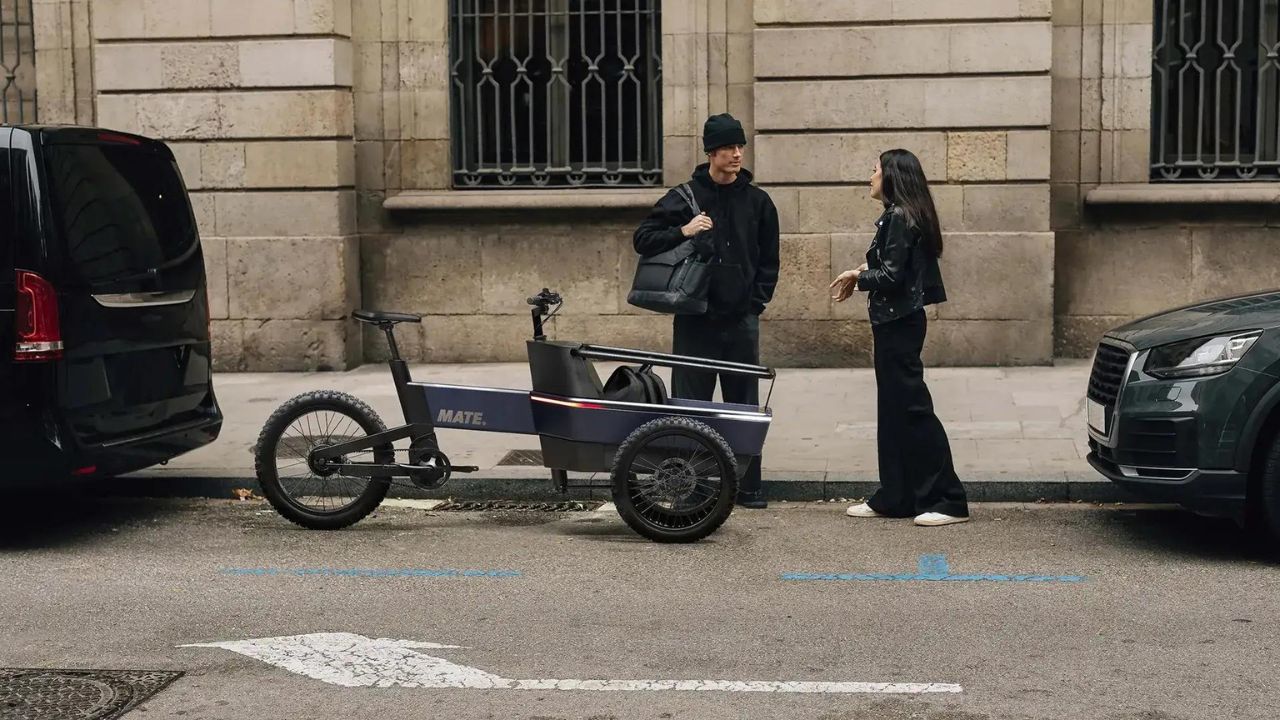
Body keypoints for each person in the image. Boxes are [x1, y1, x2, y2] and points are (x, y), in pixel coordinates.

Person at [632, 113, 781, 509]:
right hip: (695, 319)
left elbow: (770, 260)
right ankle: (692, 488)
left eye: (740, 147)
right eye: (729, 148)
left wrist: (755, 303)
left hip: (740, 321)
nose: (737, 154)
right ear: (711, 151)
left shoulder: (759, 201)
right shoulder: (684, 198)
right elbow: (642, 240)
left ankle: (748, 487)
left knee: (743, 406)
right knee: (690, 407)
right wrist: (684, 230)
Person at [829, 149, 969, 527]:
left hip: (899, 323)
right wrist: (862, 269)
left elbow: (891, 277)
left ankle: (950, 499)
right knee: (893, 412)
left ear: (891, 176)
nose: (870, 177)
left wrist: (857, 278)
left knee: (912, 411)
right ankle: (896, 496)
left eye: (874, 170)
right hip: (897, 322)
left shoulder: (899, 217)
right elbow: (897, 267)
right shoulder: (901, 216)